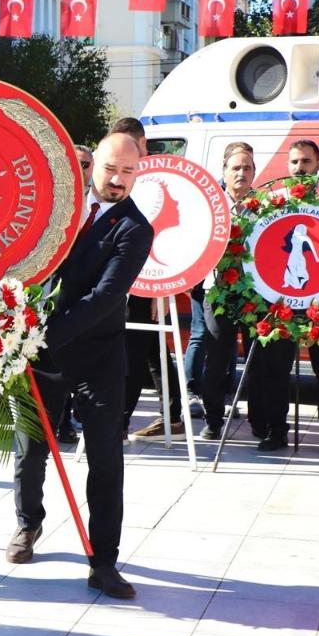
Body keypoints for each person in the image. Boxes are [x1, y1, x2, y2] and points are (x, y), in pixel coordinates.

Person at [7, 133, 153, 600]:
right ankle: (28, 524)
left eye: (129, 172)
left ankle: (104, 561)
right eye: (111, 168)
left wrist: (44, 332)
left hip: (99, 356)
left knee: (106, 458)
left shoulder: (134, 228)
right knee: (31, 447)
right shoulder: (59, 209)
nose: (118, 179)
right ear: (94, 164)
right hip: (41, 355)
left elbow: (106, 296)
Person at [252, 140, 319, 455]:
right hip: (281, 298)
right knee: (275, 370)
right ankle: (276, 433)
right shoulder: (274, 202)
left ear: (318, 164)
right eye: (294, 161)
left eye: (306, 161)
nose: (299, 168)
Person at [110, 118, 183, 440]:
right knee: (152, 351)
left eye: (130, 146)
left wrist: (159, 284)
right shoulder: (122, 179)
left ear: (142, 143)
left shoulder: (155, 180)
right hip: (128, 281)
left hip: (147, 280)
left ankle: (121, 421)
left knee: (135, 352)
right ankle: (173, 414)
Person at [200, 143, 260, 440]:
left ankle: (259, 422)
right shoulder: (211, 207)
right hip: (218, 293)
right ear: (223, 173)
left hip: (253, 295)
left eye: (247, 168)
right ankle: (213, 420)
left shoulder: (264, 207)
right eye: (235, 168)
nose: (241, 173)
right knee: (216, 360)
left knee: (256, 360)